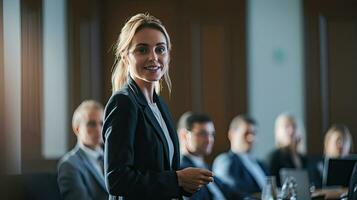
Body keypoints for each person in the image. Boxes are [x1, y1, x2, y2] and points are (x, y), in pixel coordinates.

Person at [102, 13, 213, 200]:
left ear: (168, 55)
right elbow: (117, 180)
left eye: (160, 50)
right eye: (142, 50)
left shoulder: (159, 104)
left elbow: (163, 173)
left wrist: (187, 184)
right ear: (125, 57)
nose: (153, 57)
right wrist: (177, 179)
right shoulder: (123, 103)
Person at [177, 112, 239, 200]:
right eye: (202, 134)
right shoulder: (182, 170)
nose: (209, 139)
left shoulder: (207, 168)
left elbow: (233, 194)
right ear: (183, 135)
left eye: (211, 134)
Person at [57, 100, 108, 200]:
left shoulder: (111, 157)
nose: (99, 129)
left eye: (102, 123)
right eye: (91, 124)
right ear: (77, 129)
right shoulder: (69, 165)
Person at [212, 115, 268, 198]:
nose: (251, 138)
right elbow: (233, 193)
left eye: (254, 133)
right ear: (231, 134)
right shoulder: (225, 161)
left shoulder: (261, 164)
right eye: (246, 133)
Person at [267, 113, 307, 186]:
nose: (291, 131)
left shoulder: (303, 158)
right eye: (286, 127)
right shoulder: (274, 158)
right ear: (277, 132)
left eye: (294, 126)